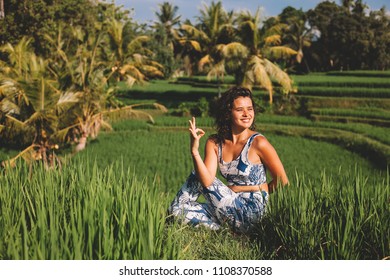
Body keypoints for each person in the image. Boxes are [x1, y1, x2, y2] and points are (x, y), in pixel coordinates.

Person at [168, 86, 288, 232]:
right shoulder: (214, 143)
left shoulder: (258, 143)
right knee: (177, 210)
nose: (246, 114)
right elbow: (205, 180)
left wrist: (245, 188)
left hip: (252, 213)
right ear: (228, 113)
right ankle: (222, 230)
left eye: (250, 109)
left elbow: (283, 182)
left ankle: (228, 229)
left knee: (198, 174)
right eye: (240, 110)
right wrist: (194, 151)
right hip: (228, 205)